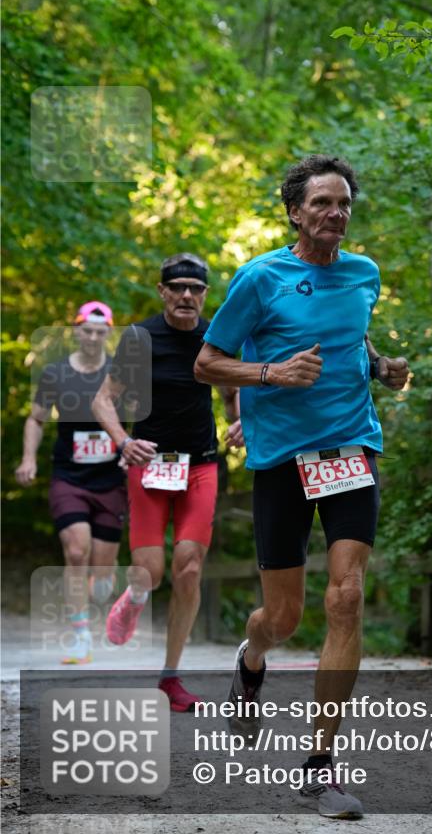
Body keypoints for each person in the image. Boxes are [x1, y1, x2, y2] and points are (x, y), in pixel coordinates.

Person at [194, 155, 408, 818]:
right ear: (294, 211)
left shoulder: (364, 274)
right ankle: (251, 657)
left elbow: (353, 341)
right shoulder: (261, 278)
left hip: (350, 449)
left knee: (346, 598)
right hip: (283, 458)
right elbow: (208, 363)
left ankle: (320, 766)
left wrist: (382, 367)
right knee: (281, 620)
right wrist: (271, 374)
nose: (335, 213)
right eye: (321, 203)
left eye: (343, 203)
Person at [91, 253, 241, 712]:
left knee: (189, 567)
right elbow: (103, 400)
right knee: (150, 572)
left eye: (195, 288)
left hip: (201, 465)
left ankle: (170, 676)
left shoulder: (215, 337)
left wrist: (241, 423)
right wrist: (123, 442)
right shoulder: (140, 338)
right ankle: (136, 595)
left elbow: (231, 392)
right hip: (150, 463)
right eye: (177, 287)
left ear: (205, 294)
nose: (186, 295)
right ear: (162, 291)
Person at [15, 301, 126, 665]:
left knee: (102, 577)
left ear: (108, 333)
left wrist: (130, 449)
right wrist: (29, 458)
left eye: (100, 331)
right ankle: (81, 637)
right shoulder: (56, 373)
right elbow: (36, 419)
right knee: (76, 552)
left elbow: (141, 419)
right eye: (87, 330)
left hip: (111, 479)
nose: (93, 337)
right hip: (69, 476)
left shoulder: (120, 372)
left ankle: (102, 582)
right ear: (76, 331)